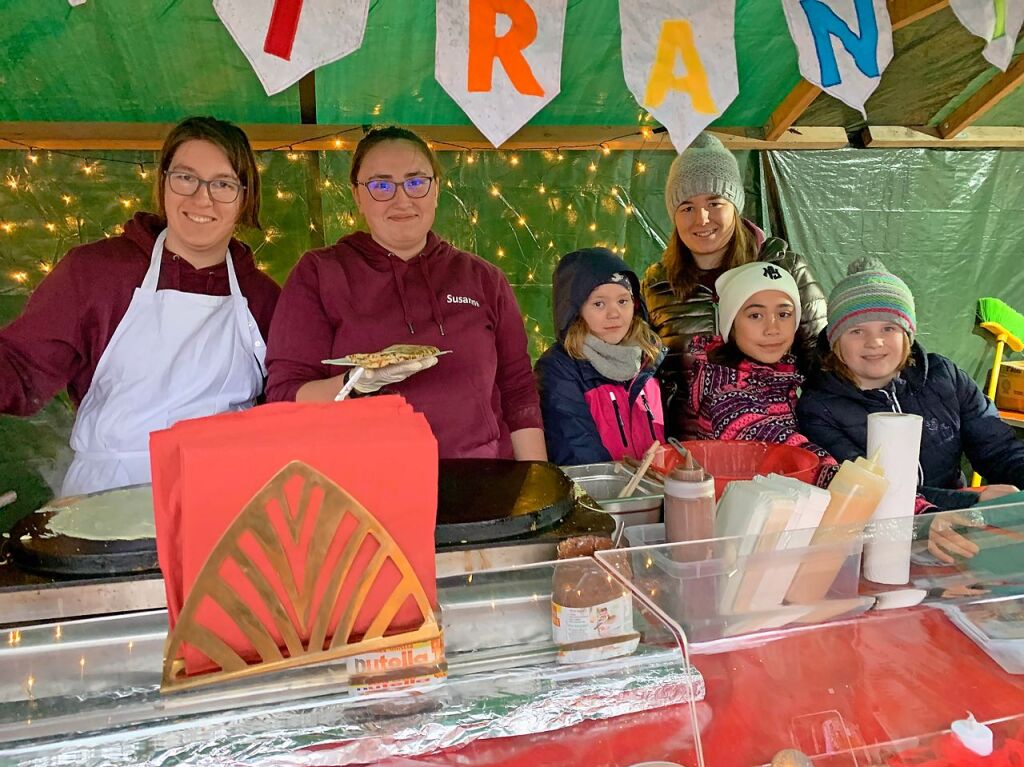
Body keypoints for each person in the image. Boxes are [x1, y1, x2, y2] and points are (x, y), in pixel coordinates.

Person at [0, 116, 280, 497]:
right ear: (162, 183)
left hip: (225, 495)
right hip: (110, 497)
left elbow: (288, 400)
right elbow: (20, 368)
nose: (202, 198)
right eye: (186, 177)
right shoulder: (95, 272)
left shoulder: (263, 296)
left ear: (246, 197)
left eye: (223, 184)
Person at [265, 126, 545, 460]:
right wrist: (354, 383)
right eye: (381, 185)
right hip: (364, 486)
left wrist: (535, 484)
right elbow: (284, 396)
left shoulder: (483, 278)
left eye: (416, 182)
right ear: (357, 195)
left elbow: (518, 393)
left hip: (480, 480)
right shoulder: (321, 273)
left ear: (436, 189)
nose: (402, 199)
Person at [797, 258, 1024, 519]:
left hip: (959, 526)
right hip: (874, 535)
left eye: (889, 327)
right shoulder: (819, 408)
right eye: (857, 331)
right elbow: (868, 492)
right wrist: (969, 500)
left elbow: (998, 448)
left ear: (907, 333)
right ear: (835, 341)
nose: (875, 341)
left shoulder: (945, 377)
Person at [641, 132, 826, 437]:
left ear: (735, 204)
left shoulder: (785, 269)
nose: (701, 218)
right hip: (690, 457)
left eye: (714, 202)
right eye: (686, 207)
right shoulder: (657, 286)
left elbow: (824, 367)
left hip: (774, 449)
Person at [688, 262, 837, 487]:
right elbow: (779, 445)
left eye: (784, 314)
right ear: (731, 325)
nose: (772, 328)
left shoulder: (787, 378)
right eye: (756, 315)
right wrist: (846, 481)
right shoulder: (724, 393)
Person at [535, 248, 665, 466]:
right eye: (599, 304)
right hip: (600, 495)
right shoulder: (559, 369)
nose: (614, 313)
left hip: (655, 493)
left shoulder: (650, 358)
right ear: (576, 310)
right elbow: (577, 450)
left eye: (623, 301)